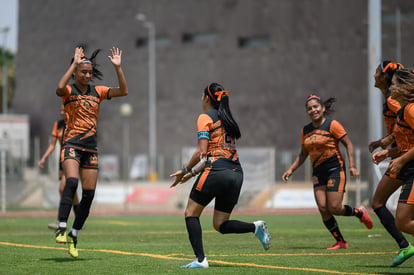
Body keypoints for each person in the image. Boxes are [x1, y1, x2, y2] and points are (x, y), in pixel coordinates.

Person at [170, 83, 271, 269]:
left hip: (217, 172)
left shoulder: (205, 117)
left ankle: (201, 260)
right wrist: (191, 173)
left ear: (207, 98)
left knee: (191, 213)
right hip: (236, 173)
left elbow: (202, 152)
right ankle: (255, 227)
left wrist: (184, 169)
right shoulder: (227, 119)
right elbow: (213, 156)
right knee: (220, 225)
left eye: (202, 96)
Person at [54, 46, 128, 258]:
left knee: (89, 194)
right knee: (71, 182)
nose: (87, 75)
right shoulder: (69, 91)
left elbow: (123, 91)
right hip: (71, 144)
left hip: (90, 147)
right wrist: (73, 63)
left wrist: (118, 68)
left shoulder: (99, 92)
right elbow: (59, 87)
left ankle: (74, 233)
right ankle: (61, 226)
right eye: (82, 72)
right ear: (75, 72)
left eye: (89, 72)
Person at [282, 94, 373, 250]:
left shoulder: (333, 125)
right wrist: (290, 169)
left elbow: (348, 144)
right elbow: (303, 154)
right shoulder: (306, 130)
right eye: (309, 108)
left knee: (335, 208)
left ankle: (359, 213)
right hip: (318, 172)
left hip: (335, 169)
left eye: (316, 107)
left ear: (323, 108)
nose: (313, 110)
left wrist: (352, 165)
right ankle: (341, 242)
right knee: (323, 208)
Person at [368, 61, 414, 267]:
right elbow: (404, 137)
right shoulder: (402, 106)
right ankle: (405, 246)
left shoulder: (400, 105)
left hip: (408, 162)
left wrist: (400, 157)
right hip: (403, 160)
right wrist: (387, 149)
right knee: (379, 204)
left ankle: (405, 245)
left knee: (402, 219)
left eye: (378, 71)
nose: (374, 74)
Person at [38, 104, 80, 230]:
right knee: (71, 191)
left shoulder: (76, 123)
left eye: (64, 109)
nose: (62, 112)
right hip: (62, 161)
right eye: (60, 109)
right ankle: (79, 218)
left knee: (63, 188)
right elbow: (52, 145)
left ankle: (61, 220)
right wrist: (44, 158)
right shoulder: (59, 124)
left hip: (73, 159)